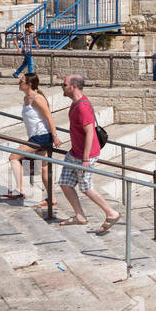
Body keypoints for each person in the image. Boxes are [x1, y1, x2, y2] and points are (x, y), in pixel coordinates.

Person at [57, 74, 122, 233]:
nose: (62, 88)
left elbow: (90, 133)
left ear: (73, 87)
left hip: (85, 155)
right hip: (75, 152)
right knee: (65, 183)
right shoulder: (75, 104)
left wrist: (85, 159)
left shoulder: (82, 107)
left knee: (86, 187)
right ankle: (79, 216)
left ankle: (111, 213)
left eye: (64, 85)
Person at [4, 73, 62, 206]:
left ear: (29, 84)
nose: (19, 83)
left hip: (42, 137)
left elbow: (49, 117)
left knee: (13, 157)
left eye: (21, 81)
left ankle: (19, 190)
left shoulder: (37, 99)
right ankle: (52, 199)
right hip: (35, 137)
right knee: (43, 169)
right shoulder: (26, 98)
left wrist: (55, 136)